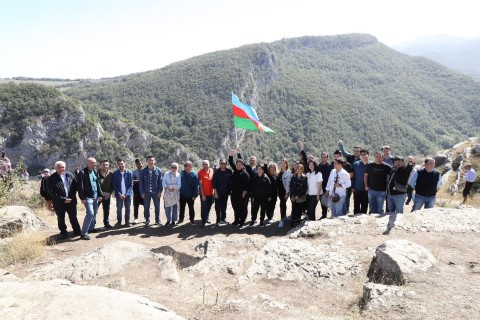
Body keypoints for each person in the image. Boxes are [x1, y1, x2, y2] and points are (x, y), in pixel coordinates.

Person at [47, 161, 81, 239]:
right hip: (59, 202)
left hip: (71, 201)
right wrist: (63, 199)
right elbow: (51, 192)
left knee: (73, 217)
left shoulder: (70, 175)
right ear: (55, 168)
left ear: (65, 167)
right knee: (61, 218)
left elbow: (74, 187)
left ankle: (77, 231)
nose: (61, 169)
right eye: (59, 167)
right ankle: (63, 232)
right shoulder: (51, 178)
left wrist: (70, 198)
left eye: (63, 167)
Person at [77, 157, 103, 240]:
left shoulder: (94, 171)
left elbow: (97, 184)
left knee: (94, 213)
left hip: (95, 197)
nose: (95, 164)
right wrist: (82, 198)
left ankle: (92, 228)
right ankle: (83, 233)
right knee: (90, 213)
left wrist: (100, 195)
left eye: (95, 162)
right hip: (88, 197)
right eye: (93, 163)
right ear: (88, 163)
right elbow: (80, 186)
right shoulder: (82, 172)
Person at [139, 155, 163, 227]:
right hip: (146, 192)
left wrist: (160, 191)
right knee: (146, 207)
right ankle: (147, 220)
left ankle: (157, 220)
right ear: (147, 161)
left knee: (157, 206)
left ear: (154, 161)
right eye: (149, 160)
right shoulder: (143, 171)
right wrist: (142, 193)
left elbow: (160, 182)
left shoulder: (158, 170)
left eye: (152, 160)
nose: (151, 161)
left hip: (156, 192)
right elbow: (141, 183)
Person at [338, 141, 360, 213]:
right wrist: (341, 145)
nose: (356, 152)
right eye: (355, 151)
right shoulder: (350, 157)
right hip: (348, 179)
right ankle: (346, 210)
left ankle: (356, 211)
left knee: (356, 196)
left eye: (358, 151)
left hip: (357, 179)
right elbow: (343, 152)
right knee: (347, 195)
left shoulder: (362, 159)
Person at [112, 159, 133, 226]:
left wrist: (127, 194)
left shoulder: (129, 173)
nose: (121, 165)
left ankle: (127, 222)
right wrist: (119, 194)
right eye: (119, 164)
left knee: (128, 209)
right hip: (119, 195)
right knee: (119, 209)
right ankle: (119, 222)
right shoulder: (115, 173)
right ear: (117, 165)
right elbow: (114, 185)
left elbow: (131, 185)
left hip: (128, 195)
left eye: (122, 163)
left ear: (125, 164)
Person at [230, 158, 250, 227]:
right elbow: (231, 162)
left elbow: (247, 186)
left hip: (242, 194)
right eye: (237, 164)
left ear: (242, 165)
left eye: (240, 164)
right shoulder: (235, 172)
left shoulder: (245, 173)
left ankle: (242, 221)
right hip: (234, 193)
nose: (238, 165)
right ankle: (236, 220)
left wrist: (243, 195)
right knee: (235, 207)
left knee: (242, 208)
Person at [212, 159, 232, 225]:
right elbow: (214, 183)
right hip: (218, 192)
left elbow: (230, 183)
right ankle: (218, 220)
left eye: (224, 163)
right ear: (220, 164)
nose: (223, 164)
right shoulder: (216, 172)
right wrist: (215, 193)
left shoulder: (229, 171)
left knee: (224, 206)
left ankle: (223, 219)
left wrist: (229, 192)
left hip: (226, 193)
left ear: (226, 164)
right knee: (217, 207)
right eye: (221, 163)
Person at [179, 160, 199, 225]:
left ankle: (192, 220)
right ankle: (181, 219)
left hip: (191, 195)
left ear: (191, 166)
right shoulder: (182, 173)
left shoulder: (194, 175)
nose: (186, 166)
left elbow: (197, 186)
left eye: (188, 165)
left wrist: (195, 195)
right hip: (182, 195)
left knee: (191, 208)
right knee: (181, 208)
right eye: (185, 165)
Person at [352, 149, 371, 214]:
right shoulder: (355, 164)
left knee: (364, 206)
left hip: (367, 189)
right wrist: (352, 186)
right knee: (356, 206)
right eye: (361, 154)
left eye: (365, 154)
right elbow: (353, 176)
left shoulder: (372, 165)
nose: (363, 156)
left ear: (368, 155)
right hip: (357, 188)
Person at [162, 162, 181, 226]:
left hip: (175, 193)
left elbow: (179, 185)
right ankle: (168, 220)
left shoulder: (179, 175)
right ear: (170, 167)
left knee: (175, 207)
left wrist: (173, 187)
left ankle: (174, 220)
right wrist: (168, 187)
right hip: (167, 192)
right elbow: (163, 183)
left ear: (177, 168)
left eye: (175, 167)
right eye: (172, 167)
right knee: (167, 207)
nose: (173, 168)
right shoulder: (166, 174)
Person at [97, 160, 114, 229]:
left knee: (106, 209)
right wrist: (99, 194)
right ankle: (92, 225)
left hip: (107, 195)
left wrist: (110, 193)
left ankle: (106, 223)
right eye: (103, 164)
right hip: (98, 196)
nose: (105, 166)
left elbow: (112, 185)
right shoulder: (96, 173)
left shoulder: (111, 174)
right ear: (100, 165)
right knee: (95, 210)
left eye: (106, 165)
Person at [198, 160, 215, 227]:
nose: (205, 166)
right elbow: (200, 185)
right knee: (204, 208)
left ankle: (207, 218)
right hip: (204, 194)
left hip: (211, 193)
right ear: (202, 165)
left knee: (209, 206)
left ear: (209, 164)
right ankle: (203, 221)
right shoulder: (200, 173)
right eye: (204, 164)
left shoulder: (212, 170)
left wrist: (214, 192)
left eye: (206, 164)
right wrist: (203, 195)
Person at [317, 152, 333, 219]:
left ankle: (332, 215)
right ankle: (324, 215)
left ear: (327, 157)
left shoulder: (330, 166)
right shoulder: (319, 166)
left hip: (328, 187)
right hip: (320, 186)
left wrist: (329, 188)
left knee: (329, 201)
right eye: (322, 157)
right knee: (322, 201)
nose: (323, 159)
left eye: (325, 157)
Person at [276, 159, 292, 228]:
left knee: (282, 203)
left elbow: (288, 183)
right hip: (279, 191)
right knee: (283, 203)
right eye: (282, 163)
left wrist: (287, 193)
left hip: (284, 191)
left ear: (287, 164)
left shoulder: (288, 173)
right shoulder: (280, 172)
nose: (283, 164)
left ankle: (282, 219)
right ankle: (284, 216)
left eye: (284, 163)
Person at [263, 160, 278, 224]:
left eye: (274, 167)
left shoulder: (276, 175)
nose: (272, 168)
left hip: (275, 193)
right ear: (269, 168)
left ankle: (270, 217)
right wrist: (265, 163)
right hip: (268, 192)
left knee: (273, 205)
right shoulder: (267, 174)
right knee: (268, 205)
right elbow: (265, 169)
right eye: (271, 167)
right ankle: (269, 217)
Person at [132, 159, 144, 224]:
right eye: (137, 164)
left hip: (144, 191)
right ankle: (136, 218)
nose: (139, 165)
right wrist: (135, 181)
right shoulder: (133, 173)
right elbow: (131, 182)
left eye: (140, 163)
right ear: (135, 165)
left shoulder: (146, 171)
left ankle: (146, 217)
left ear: (142, 163)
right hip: (136, 191)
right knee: (136, 206)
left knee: (146, 205)